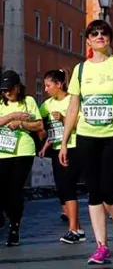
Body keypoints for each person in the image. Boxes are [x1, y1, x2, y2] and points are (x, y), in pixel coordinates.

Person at [59, 20, 113, 265]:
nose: (99, 36)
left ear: (110, 38)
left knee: (108, 188)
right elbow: (73, 107)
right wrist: (64, 142)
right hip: (86, 136)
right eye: (94, 34)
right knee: (93, 191)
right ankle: (102, 246)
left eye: (104, 33)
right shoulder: (80, 70)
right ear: (87, 40)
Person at [39, 69, 86, 244]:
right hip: (57, 148)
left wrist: (64, 118)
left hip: (73, 147)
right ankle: (78, 228)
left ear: (59, 84)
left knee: (68, 187)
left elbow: (79, 124)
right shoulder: (47, 105)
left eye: (48, 85)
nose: (46, 89)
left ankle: (73, 229)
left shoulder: (72, 101)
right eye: (44, 86)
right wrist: (45, 143)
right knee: (62, 189)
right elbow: (45, 127)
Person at [0, 70, 44, 246]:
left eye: (10, 89)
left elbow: (39, 125)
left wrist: (21, 123)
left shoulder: (29, 101)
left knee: (14, 190)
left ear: (18, 87)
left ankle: (14, 227)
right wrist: (12, 116)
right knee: (2, 190)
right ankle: (5, 218)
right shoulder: (1, 104)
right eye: (4, 90)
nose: (7, 93)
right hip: (2, 151)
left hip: (23, 150)